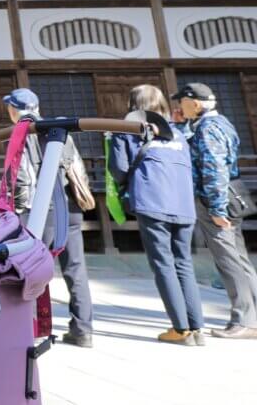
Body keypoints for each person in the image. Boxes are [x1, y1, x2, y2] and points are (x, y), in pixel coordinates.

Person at [110, 84, 204, 346]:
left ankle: (180, 328)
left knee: (163, 263)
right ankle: (197, 328)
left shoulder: (128, 130)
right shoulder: (178, 133)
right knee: (183, 263)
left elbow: (118, 169)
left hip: (152, 201)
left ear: (133, 104)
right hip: (184, 204)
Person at [3, 88, 94, 348]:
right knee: (75, 268)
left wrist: (17, 210)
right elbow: (77, 168)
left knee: (30, 269)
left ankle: (30, 325)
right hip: (68, 207)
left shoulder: (22, 132)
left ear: (12, 109)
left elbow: (22, 177)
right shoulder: (60, 130)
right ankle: (83, 329)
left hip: (38, 209)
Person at [176, 82, 257, 339]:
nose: (179, 107)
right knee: (239, 258)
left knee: (228, 260)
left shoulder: (208, 129)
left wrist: (216, 207)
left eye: (182, 103)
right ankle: (251, 315)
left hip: (217, 202)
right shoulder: (221, 123)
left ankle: (245, 319)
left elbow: (214, 169)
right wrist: (180, 125)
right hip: (231, 196)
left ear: (194, 103)